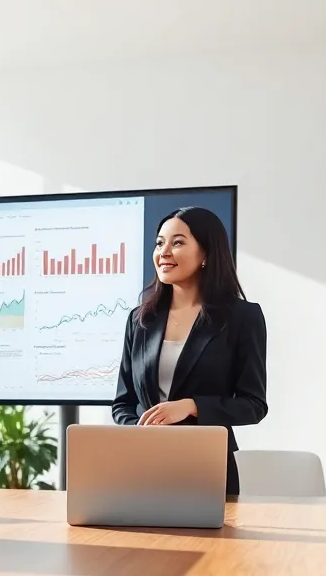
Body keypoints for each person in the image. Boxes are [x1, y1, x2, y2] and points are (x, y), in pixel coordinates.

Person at [112, 206, 268, 495]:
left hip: (206, 465)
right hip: (143, 464)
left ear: (206, 253)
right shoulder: (140, 319)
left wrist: (191, 406)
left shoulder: (242, 317)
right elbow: (122, 404)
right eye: (160, 243)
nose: (164, 252)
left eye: (178, 242)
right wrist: (141, 429)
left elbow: (254, 404)